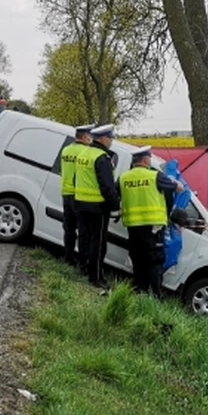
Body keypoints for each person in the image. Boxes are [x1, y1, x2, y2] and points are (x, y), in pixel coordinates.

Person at [118, 146, 184, 295]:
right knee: (154, 261)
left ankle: (139, 291)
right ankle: (155, 294)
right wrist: (172, 179)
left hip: (133, 226)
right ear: (146, 160)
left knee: (138, 259)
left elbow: (116, 194)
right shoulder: (155, 176)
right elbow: (179, 188)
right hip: (153, 227)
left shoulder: (123, 178)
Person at [73, 124, 120, 286]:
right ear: (102, 139)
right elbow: (107, 186)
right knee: (98, 244)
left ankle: (84, 268)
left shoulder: (84, 153)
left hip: (80, 203)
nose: (111, 141)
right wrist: (115, 207)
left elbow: (75, 179)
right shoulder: (102, 157)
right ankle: (96, 277)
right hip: (97, 207)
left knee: (84, 239)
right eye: (110, 138)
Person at [58, 124, 94, 268]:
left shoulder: (66, 150)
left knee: (69, 229)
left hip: (66, 194)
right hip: (79, 196)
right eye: (89, 137)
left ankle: (69, 257)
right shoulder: (85, 151)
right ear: (85, 137)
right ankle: (83, 262)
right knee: (83, 231)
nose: (90, 140)